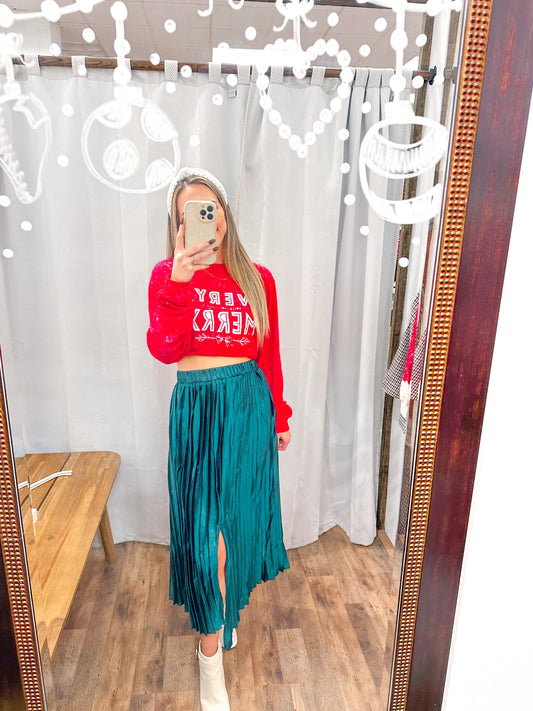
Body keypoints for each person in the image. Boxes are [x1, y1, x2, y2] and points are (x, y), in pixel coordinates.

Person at [147, 167, 292, 711]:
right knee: (205, 542)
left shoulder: (258, 279)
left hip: (247, 409)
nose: (203, 220)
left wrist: (279, 415)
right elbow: (165, 348)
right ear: (178, 225)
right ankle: (211, 665)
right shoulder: (167, 277)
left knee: (235, 532)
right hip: (198, 414)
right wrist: (178, 284)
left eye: (210, 208)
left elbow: (268, 354)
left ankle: (223, 619)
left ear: (225, 216)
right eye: (189, 213)